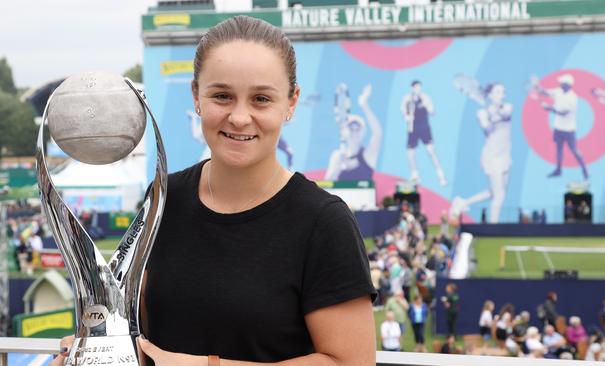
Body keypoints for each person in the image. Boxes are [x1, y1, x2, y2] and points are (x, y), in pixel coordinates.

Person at [53, 15, 376, 366]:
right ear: (196, 96)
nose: (239, 117)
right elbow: (145, 337)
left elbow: (350, 362)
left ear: (291, 102)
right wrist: (97, 350)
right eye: (222, 95)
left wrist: (205, 365)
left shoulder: (323, 222)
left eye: (261, 99)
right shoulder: (165, 198)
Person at [451, 83, 512, 223]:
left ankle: (463, 202)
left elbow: (506, 114)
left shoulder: (508, 107)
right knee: (499, 195)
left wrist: (495, 112)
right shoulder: (482, 113)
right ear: (490, 95)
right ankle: (493, 226)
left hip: (505, 155)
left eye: (503, 92)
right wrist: (490, 116)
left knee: (495, 191)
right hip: (492, 156)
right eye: (497, 92)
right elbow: (487, 130)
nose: (501, 95)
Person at [535, 73, 589, 180]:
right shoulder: (557, 91)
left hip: (569, 129)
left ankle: (585, 170)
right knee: (559, 149)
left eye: (562, 83)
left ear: (567, 85)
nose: (560, 84)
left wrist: (549, 108)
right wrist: (537, 87)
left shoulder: (573, 97)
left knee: (574, 150)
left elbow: (564, 112)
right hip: (558, 128)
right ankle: (558, 170)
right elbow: (544, 92)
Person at [325, 84, 381, 181]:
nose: (354, 132)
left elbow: (378, 134)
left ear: (363, 133)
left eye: (358, 128)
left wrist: (364, 105)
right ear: (344, 132)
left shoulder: (367, 155)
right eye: (351, 128)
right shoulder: (337, 156)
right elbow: (326, 187)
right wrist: (336, 170)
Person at [401, 80, 447, 185]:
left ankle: (441, 176)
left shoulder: (425, 98)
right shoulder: (406, 99)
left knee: (431, 152)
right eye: (416, 87)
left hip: (425, 129)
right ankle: (415, 175)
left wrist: (428, 107)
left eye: (419, 87)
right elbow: (403, 112)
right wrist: (407, 117)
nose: (418, 89)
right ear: (412, 88)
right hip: (412, 129)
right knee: (410, 152)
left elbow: (433, 112)